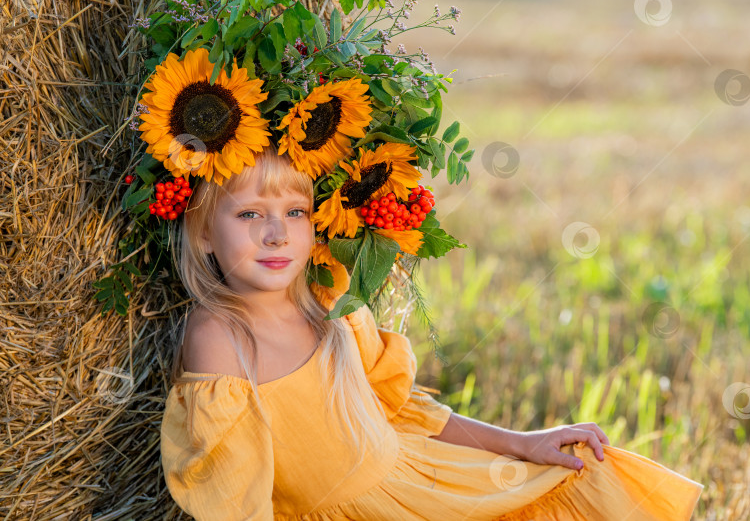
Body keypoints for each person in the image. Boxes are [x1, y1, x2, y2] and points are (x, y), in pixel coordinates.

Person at [159, 142, 704, 520]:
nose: (277, 234)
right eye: (250, 215)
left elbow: (400, 413)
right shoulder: (221, 338)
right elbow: (236, 499)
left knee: (584, 483)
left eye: (296, 212)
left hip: (425, 486)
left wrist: (520, 443)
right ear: (202, 232)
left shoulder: (331, 298)